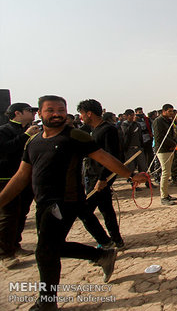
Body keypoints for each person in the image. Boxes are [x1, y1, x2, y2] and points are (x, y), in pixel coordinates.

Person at [0, 95, 147, 310]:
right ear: (40, 113)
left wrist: (130, 176)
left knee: (44, 252)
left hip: (65, 203)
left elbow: (105, 158)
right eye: (50, 110)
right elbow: (22, 175)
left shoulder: (75, 136)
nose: (57, 114)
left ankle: (46, 302)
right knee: (52, 248)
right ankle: (101, 255)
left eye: (61, 109)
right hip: (43, 203)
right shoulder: (33, 141)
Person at [77, 99, 125, 249]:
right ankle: (116, 240)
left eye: (82, 114)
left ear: (89, 114)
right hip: (92, 176)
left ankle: (105, 242)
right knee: (106, 209)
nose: (81, 117)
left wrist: (103, 178)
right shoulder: (92, 130)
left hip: (99, 178)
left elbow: (113, 155)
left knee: (84, 212)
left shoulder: (107, 129)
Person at [0, 103, 39, 269]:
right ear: (17, 113)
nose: (33, 114)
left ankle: (15, 245)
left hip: (27, 178)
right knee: (8, 216)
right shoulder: (4, 130)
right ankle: (4, 253)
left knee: (22, 212)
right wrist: (25, 136)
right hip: (8, 178)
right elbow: (3, 149)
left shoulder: (31, 129)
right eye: (29, 111)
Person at [152, 104, 177, 205]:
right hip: (163, 149)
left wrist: (174, 143)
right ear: (164, 111)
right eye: (169, 111)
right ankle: (163, 197)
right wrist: (172, 144)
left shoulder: (169, 121)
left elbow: (172, 134)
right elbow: (160, 138)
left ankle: (166, 194)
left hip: (170, 149)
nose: (171, 113)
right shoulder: (158, 121)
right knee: (165, 173)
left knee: (168, 173)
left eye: (172, 111)